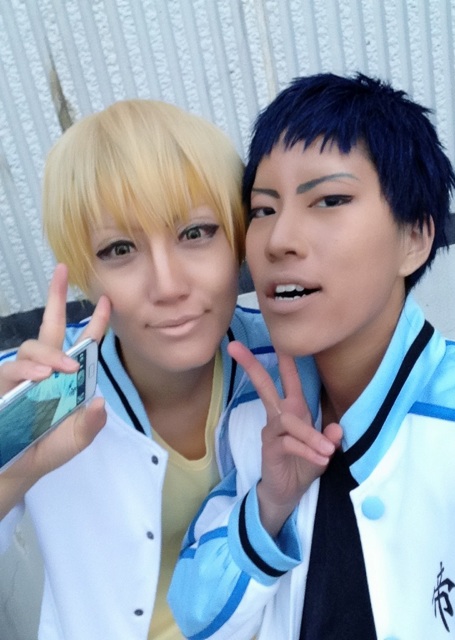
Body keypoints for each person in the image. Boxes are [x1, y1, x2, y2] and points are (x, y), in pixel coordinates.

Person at [169, 72, 455, 639]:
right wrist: (270, 504)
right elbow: (197, 616)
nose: (278, 239)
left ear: (414, 238)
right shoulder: (256, 417)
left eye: (330, 200)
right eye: (262, 210)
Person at [0, 99, 283, 640]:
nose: (168, 285)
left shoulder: (287, 359)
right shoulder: (37, 388)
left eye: (196, 233)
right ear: (85, 274)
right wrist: (14, 462)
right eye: (120, 248)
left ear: (238, 238)